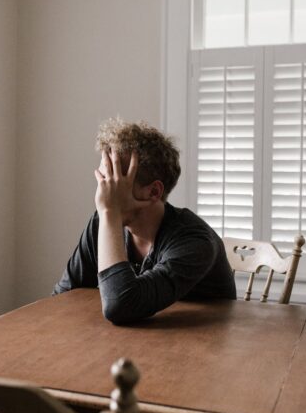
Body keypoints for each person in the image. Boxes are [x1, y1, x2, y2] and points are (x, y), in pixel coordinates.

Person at [53, 117, 236, 324]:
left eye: (114, 182)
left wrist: (110, 212)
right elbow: (63, 297)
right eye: (103, 180)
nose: (102, 193)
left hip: (203, 347)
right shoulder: (103, 222)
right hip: (134, 342)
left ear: (154, 191)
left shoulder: (195, 241)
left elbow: (120, 306)